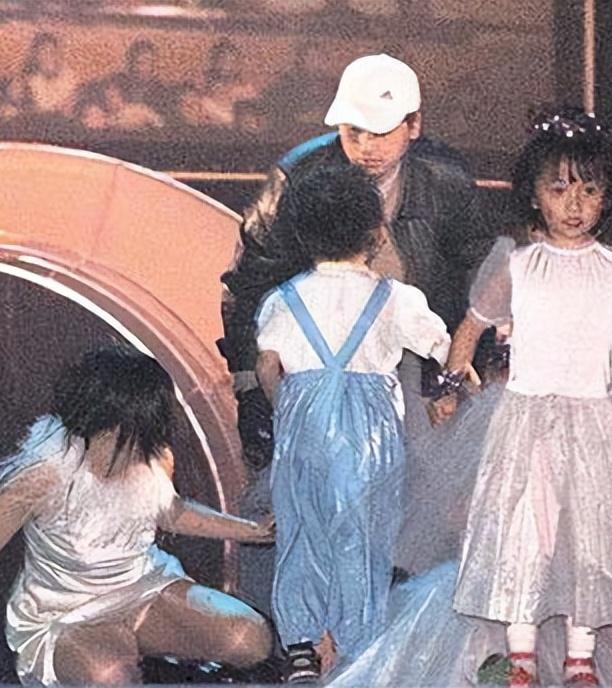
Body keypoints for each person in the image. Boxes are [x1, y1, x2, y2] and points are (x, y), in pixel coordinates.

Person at [331, 108, 612, 688]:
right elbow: (470, 328)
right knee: (524, 538)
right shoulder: (516, 262)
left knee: (591, 543)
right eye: (559, 189)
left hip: (598, 423)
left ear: (606, 196)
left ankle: (581, 659)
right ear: (534, 194)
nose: (574, 204)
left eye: (589, 190)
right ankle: (521, 659)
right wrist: (452, 388)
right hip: (527, 422)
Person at [0, 346, 274, 686]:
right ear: (114, 422)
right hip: (66, 614)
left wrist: (250, 530)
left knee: (250, 639)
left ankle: (160, 664)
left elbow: (171, 511)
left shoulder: (153, 457)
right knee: (111, 676)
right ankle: (116, 664)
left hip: (143, 589)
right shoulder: (43, 476)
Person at [255, 163, 451, 682]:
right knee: (363, 534)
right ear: (377, 232)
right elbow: (441, 346)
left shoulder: (283, 299)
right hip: (369, 433)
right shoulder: (396, 299)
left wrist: (287, 406)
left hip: (304, 424)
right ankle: (355, 645)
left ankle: (301, 644)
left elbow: (267, 365)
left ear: (302, 235)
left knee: (302, 530)